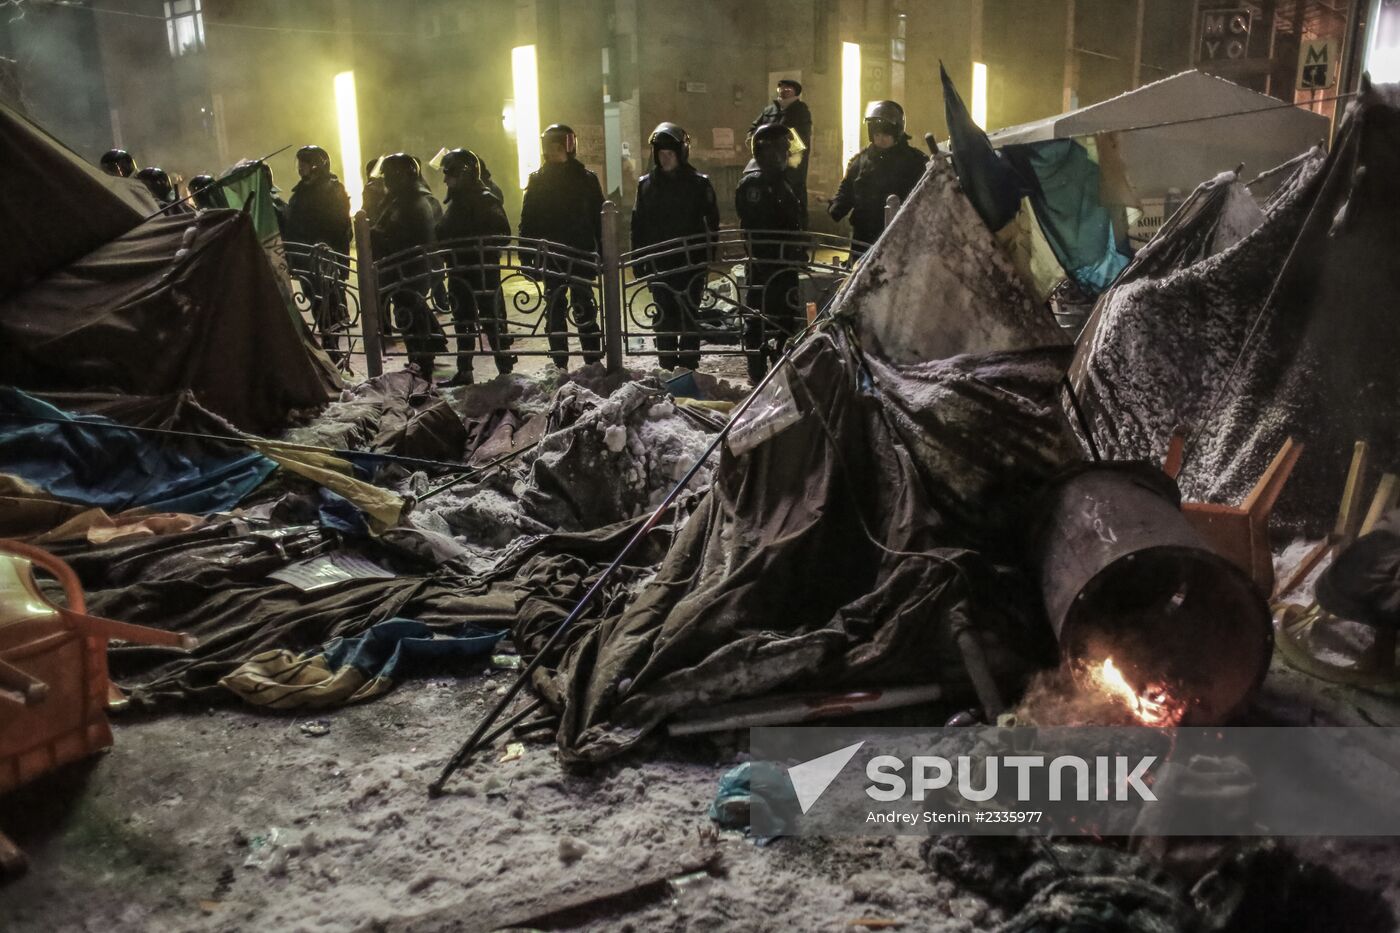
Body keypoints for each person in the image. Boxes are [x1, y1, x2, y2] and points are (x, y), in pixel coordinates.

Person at [631, 122, 720, 371]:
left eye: (670, 154)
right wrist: (639, 259)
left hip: (690, 262)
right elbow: (638, 225)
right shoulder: (646, 185)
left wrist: (707, 257)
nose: (665, 158)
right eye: (661, 154)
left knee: (689, 314)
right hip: (660, 262)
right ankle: (667, 364)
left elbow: (712, 224)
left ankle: (689, 364)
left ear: (681, 154)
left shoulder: (698, 184)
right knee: (664, 315)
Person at [519, 123, 605, 370]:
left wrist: (603, 252)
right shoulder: (538, 181)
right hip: (552, 256)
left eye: (560, 147)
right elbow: (528, 222)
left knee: (584, 307)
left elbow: (599, 219)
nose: (556, 153)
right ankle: (559, 362)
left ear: (569, 147)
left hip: (581, 254)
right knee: (555, 308)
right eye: (552, 148)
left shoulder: (586, 179)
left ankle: (593, 359)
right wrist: (527, 258)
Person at [435, 147, 516, 385]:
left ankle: (505, 368)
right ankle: (465, 369)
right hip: (460, 271)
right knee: (463, 320)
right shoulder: (458, 201)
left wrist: (475, 245)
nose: (445, 179)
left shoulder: (484, 200)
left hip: (481, 272)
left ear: (465, 173)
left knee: (492, 320)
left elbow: (502, 233)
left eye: (450, 173)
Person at [735, 123, 806, 384]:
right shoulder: (755, 183)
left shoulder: (778, 181)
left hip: (783, 263)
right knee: (758, 316)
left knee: (785, 318)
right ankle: (758, 370)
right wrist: (771, 260)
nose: (789, 155)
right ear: (772, 153)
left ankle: (781, 367)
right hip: (766, 265)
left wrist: (796, 252)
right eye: (784, 150)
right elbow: (756, 230)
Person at [371, 153, 443, 375]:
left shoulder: (412, 202)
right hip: (403, 269)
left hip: (410, 268)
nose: (386, 181)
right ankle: (422, 354)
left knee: (410, 314)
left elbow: (406, 236)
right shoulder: (401, 199)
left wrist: (377, 236)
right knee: (408, 312)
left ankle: (422, 360)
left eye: (389, 176)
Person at [827, 100, 928, 255]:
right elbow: (848, 188)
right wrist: (836, 207)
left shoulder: (914, 161)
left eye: (886, 135)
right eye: (877, 134)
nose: (880, 139)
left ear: (896, 134)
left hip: (899, 234)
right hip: (864, 234)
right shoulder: (861, 160)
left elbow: (925, 194)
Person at [285, 145, 353, 363]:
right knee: (315, 302)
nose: (300, 169)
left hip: (325, 259)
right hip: (306, 259)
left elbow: (338, 225)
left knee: (330, 304)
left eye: (304, 164)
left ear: (315, 165)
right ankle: (328, 346)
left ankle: (333, 349)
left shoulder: (332, 189)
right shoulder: (301, 192)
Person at [747, 78, 812, 224]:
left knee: (791, 202)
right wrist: (755, 141)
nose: (783, 92)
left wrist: (780, 145)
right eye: (781, 89)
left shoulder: (801, 111)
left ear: (795, 93)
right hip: (764, 167)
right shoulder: (769, 110)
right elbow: (753, 129)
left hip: (790, 169)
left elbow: (801, 140)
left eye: (788, 90)